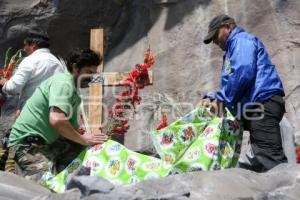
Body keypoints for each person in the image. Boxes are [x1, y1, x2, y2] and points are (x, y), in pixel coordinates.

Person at [200, 14, 287, 172]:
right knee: (263, 160)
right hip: (258, 107)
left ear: (228, 27)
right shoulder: (234, 47)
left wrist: (220, 98)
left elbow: (243, 72)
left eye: (215, 35)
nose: (214, 41)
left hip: (263, 103)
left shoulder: (241, 41)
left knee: (271, 161)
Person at [7, 49, 107, 182]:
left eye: (94, 73)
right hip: (27, 146)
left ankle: (67, 178)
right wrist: (84, 139)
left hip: (45, 143)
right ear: (75, 67)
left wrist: (88, 139)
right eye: (89, 72)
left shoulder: (73, 92)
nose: (92, 77)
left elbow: (70, 128)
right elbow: (57, 120)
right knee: (44, 186)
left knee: (81, 150)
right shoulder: (63, 83)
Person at [0, 31, 64, 114]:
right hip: (53, 113)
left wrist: (5, 83)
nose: (24, 48)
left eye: (25, 45)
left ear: (33, 45)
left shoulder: (30, 60)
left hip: (32, 114)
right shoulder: (57, 62)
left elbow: (13, 88)